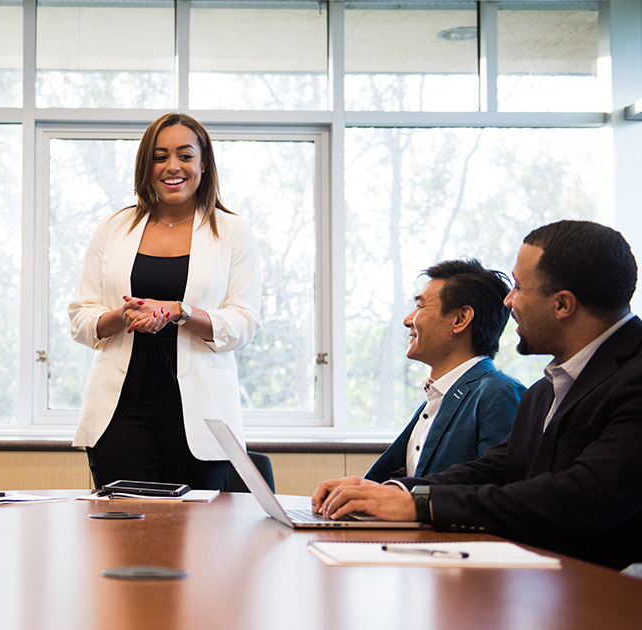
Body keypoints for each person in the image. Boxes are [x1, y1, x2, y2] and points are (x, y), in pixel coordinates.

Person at [312, 220, 642, 569]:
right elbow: (493, 470)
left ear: (562, 304)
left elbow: (581, 499)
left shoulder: (633, 377)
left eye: (518, 287)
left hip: (608, 597)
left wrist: (419, 505)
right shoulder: (545, 390)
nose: (508, 300)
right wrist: (400, 492)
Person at [67, 113, 263, 491]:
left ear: (203, 163)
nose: (173, 166)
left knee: (198, 539)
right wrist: (121, 315)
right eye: (160, 157)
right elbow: (80, 317)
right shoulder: (114, 227)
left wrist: (180, 311)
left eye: (185, 155)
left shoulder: (233, 232)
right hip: (120, 410)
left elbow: (243, 323)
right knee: (122, 536)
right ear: (146, 166)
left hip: (201, 413)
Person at [365, 259, 526, 482]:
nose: (407, 320)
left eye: (419, 306)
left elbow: (498, 492)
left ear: (460, 319)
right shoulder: (436, 397)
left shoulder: (500, 393)